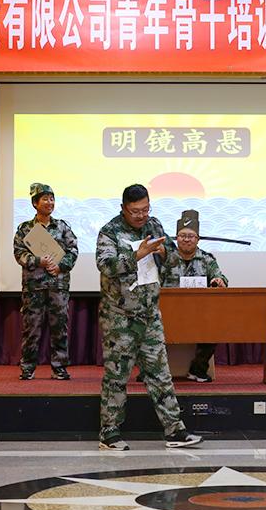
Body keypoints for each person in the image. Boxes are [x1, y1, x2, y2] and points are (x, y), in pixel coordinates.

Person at [96, 183, 203, 450]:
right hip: (119, 317)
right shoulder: (110, 232)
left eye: (145, 209)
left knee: (160, 374)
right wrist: (138, 255)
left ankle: (174, 430)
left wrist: (165, 253)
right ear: (123, 208)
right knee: (117, 376)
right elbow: (105, 265)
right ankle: (109, 432)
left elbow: (174, 259)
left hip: (150, 314)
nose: (141, 216)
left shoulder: (154, 225)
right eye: (135, 211)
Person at [14, 183, 78, 380]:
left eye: (52, 199)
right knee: (31, 329)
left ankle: (60, 368)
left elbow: (73, 251)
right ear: (35, 203)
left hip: (58, 287)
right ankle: (27, 368)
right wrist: (37, 261)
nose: (49, 203)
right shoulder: (25, 229)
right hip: (33, 287)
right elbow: (19, 253)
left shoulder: (63, 227)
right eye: (45, 199)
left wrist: (60, 266)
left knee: (59, 329)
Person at [161, 209, 228, 383]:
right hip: (168, 311)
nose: (186, 239)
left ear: (198, 239)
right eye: (182, 236)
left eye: (191, 236)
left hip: (198, 312)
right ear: (176, 238)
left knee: (214, 327)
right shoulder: (165, 258)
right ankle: (154, 370)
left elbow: (220, 277)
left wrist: (219, 281)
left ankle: (197, 369)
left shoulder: (206, 259)